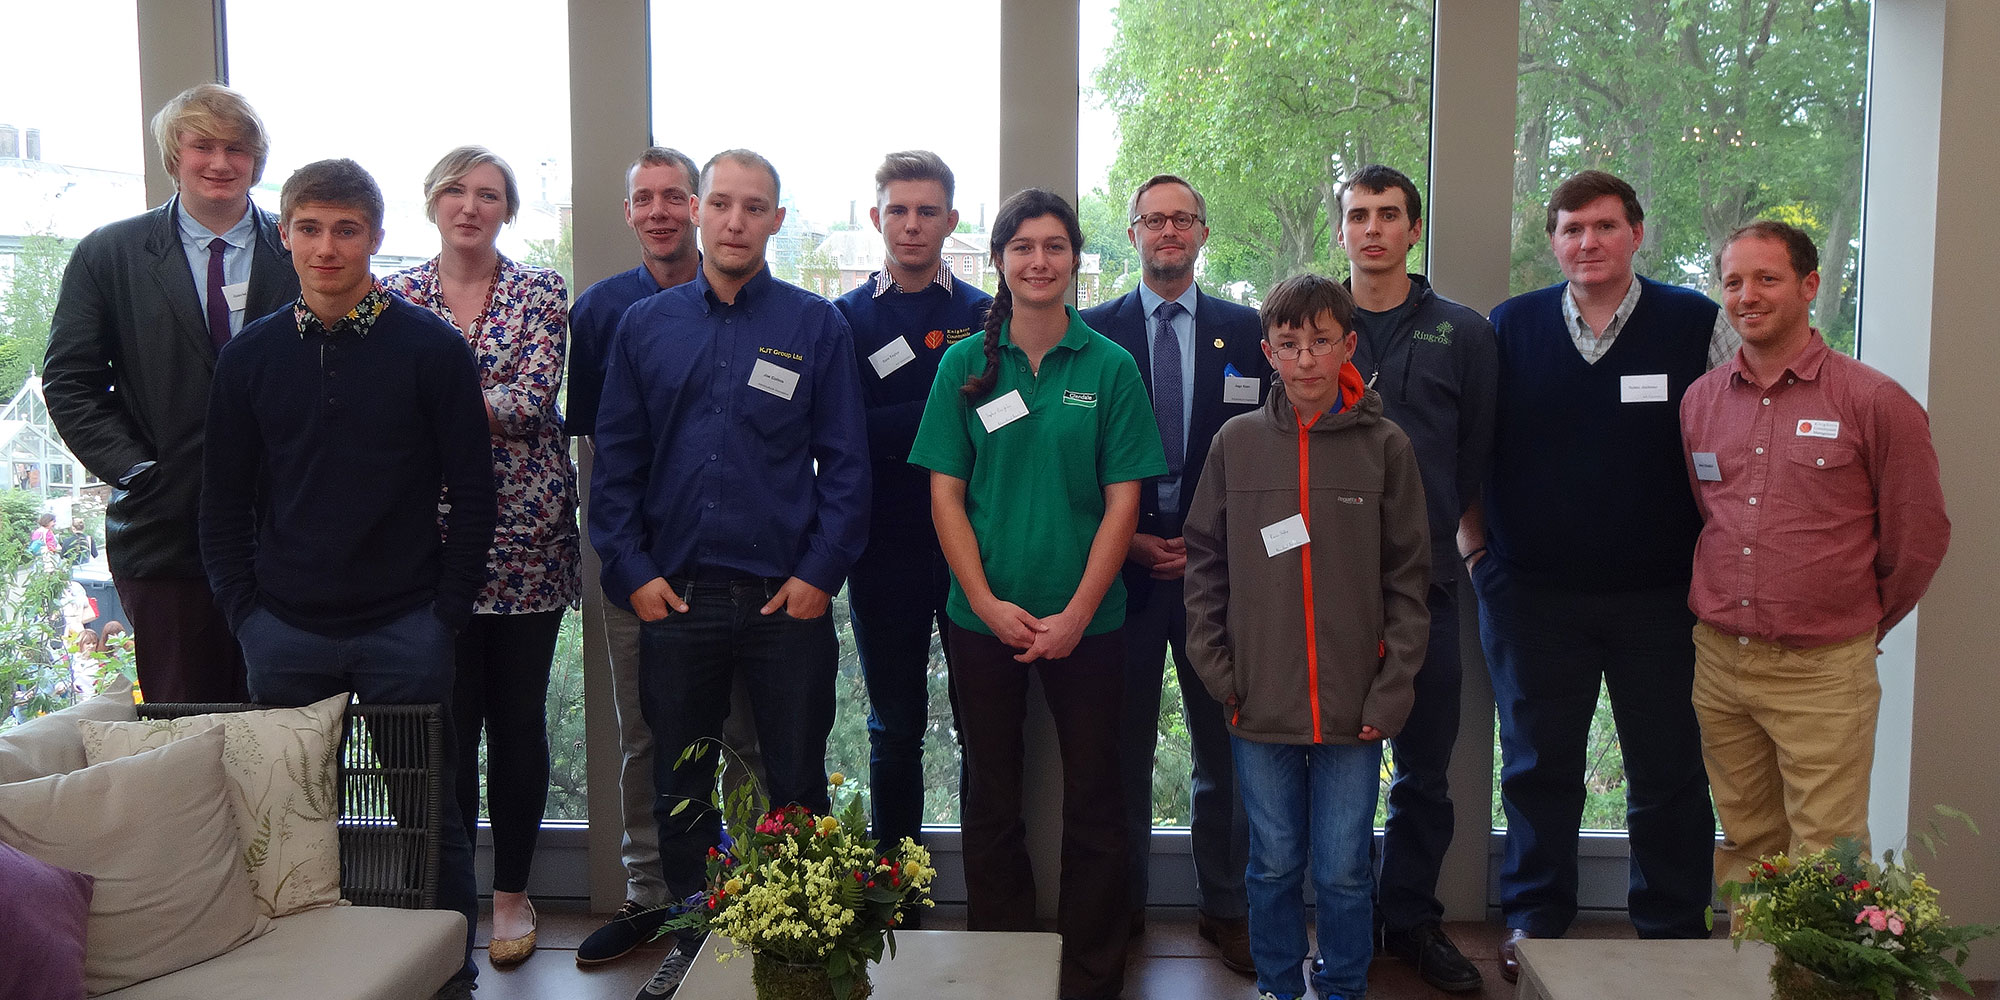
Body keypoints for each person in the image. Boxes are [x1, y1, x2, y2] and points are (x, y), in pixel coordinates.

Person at [198, 158, 496, 1000]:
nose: (326, 247)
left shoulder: (430, 348)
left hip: (407, 627)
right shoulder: (251, 359)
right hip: (285, 634)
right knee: (289, 833)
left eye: (346, 229)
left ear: (376, 235)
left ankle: (445, 980)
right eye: (309, 228)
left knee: (430, 827)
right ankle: (303, 981)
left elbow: (474, 496)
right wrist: (247, 617)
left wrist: (444, 615)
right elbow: (221, 506)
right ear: (284, 233)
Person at [588, 149, 869, 1000]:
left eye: (756, 207)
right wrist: (632, 572)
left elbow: (849, 467)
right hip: (676, 601)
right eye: (723, 203)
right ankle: (698, 941)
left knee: (793, 778)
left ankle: (796, 953)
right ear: (702, 213)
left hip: (786, 601)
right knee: (681, 783)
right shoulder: (646, 327)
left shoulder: (817, 327)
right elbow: (615, 470)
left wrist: (821, 573)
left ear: (777, 220)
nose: (736, 220)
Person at [1464, 170, 1734, 981]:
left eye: (1605, 227)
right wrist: (1479, 558)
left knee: (1670, 767)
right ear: (1553, 241)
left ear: (1637, 235)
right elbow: (1465, 454)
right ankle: (1536, 924)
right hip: (1533, 596)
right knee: (1538, 767)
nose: (1588, 242)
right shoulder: (1509, 327)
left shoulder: (1696, 323)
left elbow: (1738, 447)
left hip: (1662, 599)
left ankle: (1676, 931)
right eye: (1572, 228)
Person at [908, 188, 1166, 1000]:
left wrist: (1080, 613)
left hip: (1090, 623)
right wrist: (983, 602)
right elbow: (946, 492)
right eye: (1023, 247)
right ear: (1000, 260)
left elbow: (1124, 499)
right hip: (983, 619)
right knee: (991, 795)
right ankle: (1002, 965)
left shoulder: (1111, 366)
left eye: (1055, 246)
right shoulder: (964, 365)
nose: (1040, 261)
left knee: (1095, 800)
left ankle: (1092, 972)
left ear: (1076, 258)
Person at [1184, 271, 1429, 1000]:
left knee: (1347, 866)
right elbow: (1204, 563)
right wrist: (1219, 670)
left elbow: (1410, 578)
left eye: (1322, 342)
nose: (1307, 360)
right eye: (1290, 345)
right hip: (1258, 701)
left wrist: (1392, 687)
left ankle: (1345, 986)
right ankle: (1279, 987)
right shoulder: (1236, 444)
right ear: (1268, 352)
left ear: (1348, 345)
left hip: (1357, 706)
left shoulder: (1385, 447)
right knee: (1272, 863)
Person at [1680, 221, 1948, 886]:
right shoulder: (1701, 401)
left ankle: (1812, 987)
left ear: (1809, 286)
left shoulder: (1875, 401)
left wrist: (1861, 623)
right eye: (1734, 281)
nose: (1747, 295)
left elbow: (1917, 536)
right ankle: (1757, 983)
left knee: (1828, 851)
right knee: (1747, 842)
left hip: (1822, 670)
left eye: (1766, 279)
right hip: (1721, 660)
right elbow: (1707, 511)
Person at [567, 145, 774, 968]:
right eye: (642, 198)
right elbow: (600, 453)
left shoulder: (771, 311)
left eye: (673, 196)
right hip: (641, 575)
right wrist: (627, 564)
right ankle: (653, 899)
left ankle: (757, 901)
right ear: (630, 212)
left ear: (698, 207)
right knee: (647, 738)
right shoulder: (606, 312)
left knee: (747, 739)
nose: (658, 210)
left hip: (744, 575)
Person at [381, 146, 581, 968]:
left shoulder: (541, 292)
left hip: (528, 539)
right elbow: (384, 412)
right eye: (456, 191)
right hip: (424, 545)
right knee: (446, 726)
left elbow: (531, 403)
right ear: (431, 203)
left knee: (518, 720)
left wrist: (433, 407)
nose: (471, 205)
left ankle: (512, 894)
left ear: (507, 210)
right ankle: (451, 897)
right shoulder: (393, 297)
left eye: (489, 194)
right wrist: (458, 407)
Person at [43, 83, 297, 703]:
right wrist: (134, 469)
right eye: (201, 145)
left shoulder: (301, 251)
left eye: (236, 149)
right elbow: (71, 380)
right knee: (180, 721)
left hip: (290, 532)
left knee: (286, 727)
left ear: (256, 164)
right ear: (172, 156)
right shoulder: (110, 253)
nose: (219, 162)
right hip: (165, 533)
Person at [1077, 172, 1266, 969]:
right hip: (1116, 573)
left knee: (1224, 749)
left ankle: (1226, 907)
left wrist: (1205, 540)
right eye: (1153, 220)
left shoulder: (1250, 331)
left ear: (1203, 233)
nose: (1168, 233)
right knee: (1118, 752)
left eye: (1183, 219)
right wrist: (1128, 542)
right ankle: (1117, 914)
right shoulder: (1089, 333)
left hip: (1216, 576)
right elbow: (1071, 462)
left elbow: (1269, 452)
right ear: (1131, 234)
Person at [1332, 164, 1497, 992]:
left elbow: (1476, 456)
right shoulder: (1315, 326)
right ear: (1341, 233)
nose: (1372, 230)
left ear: (1413, 228)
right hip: (1324, 594)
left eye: (1388, 215)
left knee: (1424, 770)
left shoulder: (1462, 334)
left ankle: (1413, 918)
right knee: (1338, 767)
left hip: (1425, 587)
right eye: (1358, 216)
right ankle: (1347, 916)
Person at [833, 150, 991, 865]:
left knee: (980, 723)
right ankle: (896, 890)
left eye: (928, 211)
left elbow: (1004, 425)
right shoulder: (844, 320)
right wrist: (943, 417)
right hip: (884, 551)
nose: (912, 224)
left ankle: (990, 885)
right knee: (893, 728)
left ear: (952, 221)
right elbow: (842, 433)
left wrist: (898, 422)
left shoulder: (986, 314)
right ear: (876, 218)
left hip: (980, 549)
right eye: (898, 209)